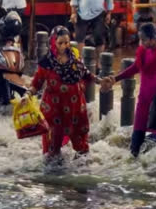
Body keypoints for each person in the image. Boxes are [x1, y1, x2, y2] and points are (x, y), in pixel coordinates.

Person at [27, 26, 109, 163]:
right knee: (53, 152)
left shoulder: (75, 56)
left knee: (82, 148)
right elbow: (37, 83)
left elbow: (86, 74)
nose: (64, 46)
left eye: (67, 42)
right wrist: (27, 95)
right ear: (53, 42)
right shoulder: (46, 63)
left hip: (75, 108)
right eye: (60, 43)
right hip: (55, 110)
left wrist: (100, 81)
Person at [105, 23, 156, 157]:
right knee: (137, 134)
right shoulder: (143, 51)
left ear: (153, 38)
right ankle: (133, 163)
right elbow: (135, 68)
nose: (141, 42)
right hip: (144, 99)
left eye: (144, 40)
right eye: (140, 39)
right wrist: (116, 78)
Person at [70, 0, 113, 72]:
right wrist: (73, 12)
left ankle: (98, 64)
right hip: (81, 12)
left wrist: (109, 13)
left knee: (99, 37)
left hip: (99, 13)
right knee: (79, 37)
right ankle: (80, 63)